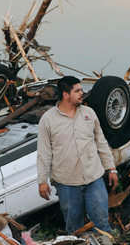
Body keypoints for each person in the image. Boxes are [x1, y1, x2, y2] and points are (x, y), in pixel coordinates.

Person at [37, 76, 118, 234]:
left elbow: (101, 142)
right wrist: (42, 180)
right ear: (66, 95)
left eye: (81, 89)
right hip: (66, 182)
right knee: (75, 227)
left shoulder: (89, 114)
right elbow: (44, 152)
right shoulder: (48, 120)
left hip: (93, 178)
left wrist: (111, 168)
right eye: (77, 90)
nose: (82, 93)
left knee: (101, 221)